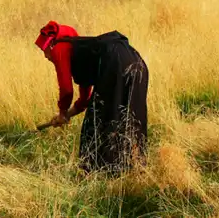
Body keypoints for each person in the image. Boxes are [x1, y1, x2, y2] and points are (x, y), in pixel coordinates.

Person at [34, 21, 149, 174]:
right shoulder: (83, 51)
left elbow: (67, 89)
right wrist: (66, 115)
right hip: (135, 61)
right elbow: (84, 100)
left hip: (115, 63)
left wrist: (62, 111)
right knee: (131, 116)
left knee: (96, 122)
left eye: (44, 50)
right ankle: (136, 167)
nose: (45, 56)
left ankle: (100, 172)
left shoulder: (59, 49)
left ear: (51, 45)